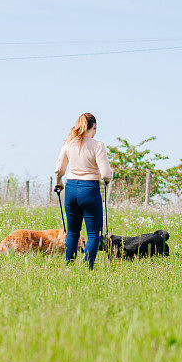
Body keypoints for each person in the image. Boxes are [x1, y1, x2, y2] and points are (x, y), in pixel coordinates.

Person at [53, 112, 113, 269]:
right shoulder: (97, 145)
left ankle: (69, 266)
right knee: (94, 234)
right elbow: (106, 173)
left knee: (73, 232)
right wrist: (107, 179)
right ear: (94, 127)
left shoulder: (68, 144)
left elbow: (59, 169)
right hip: (89, 190)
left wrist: (59, 183)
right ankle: (87, 268)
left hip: (71, 189)